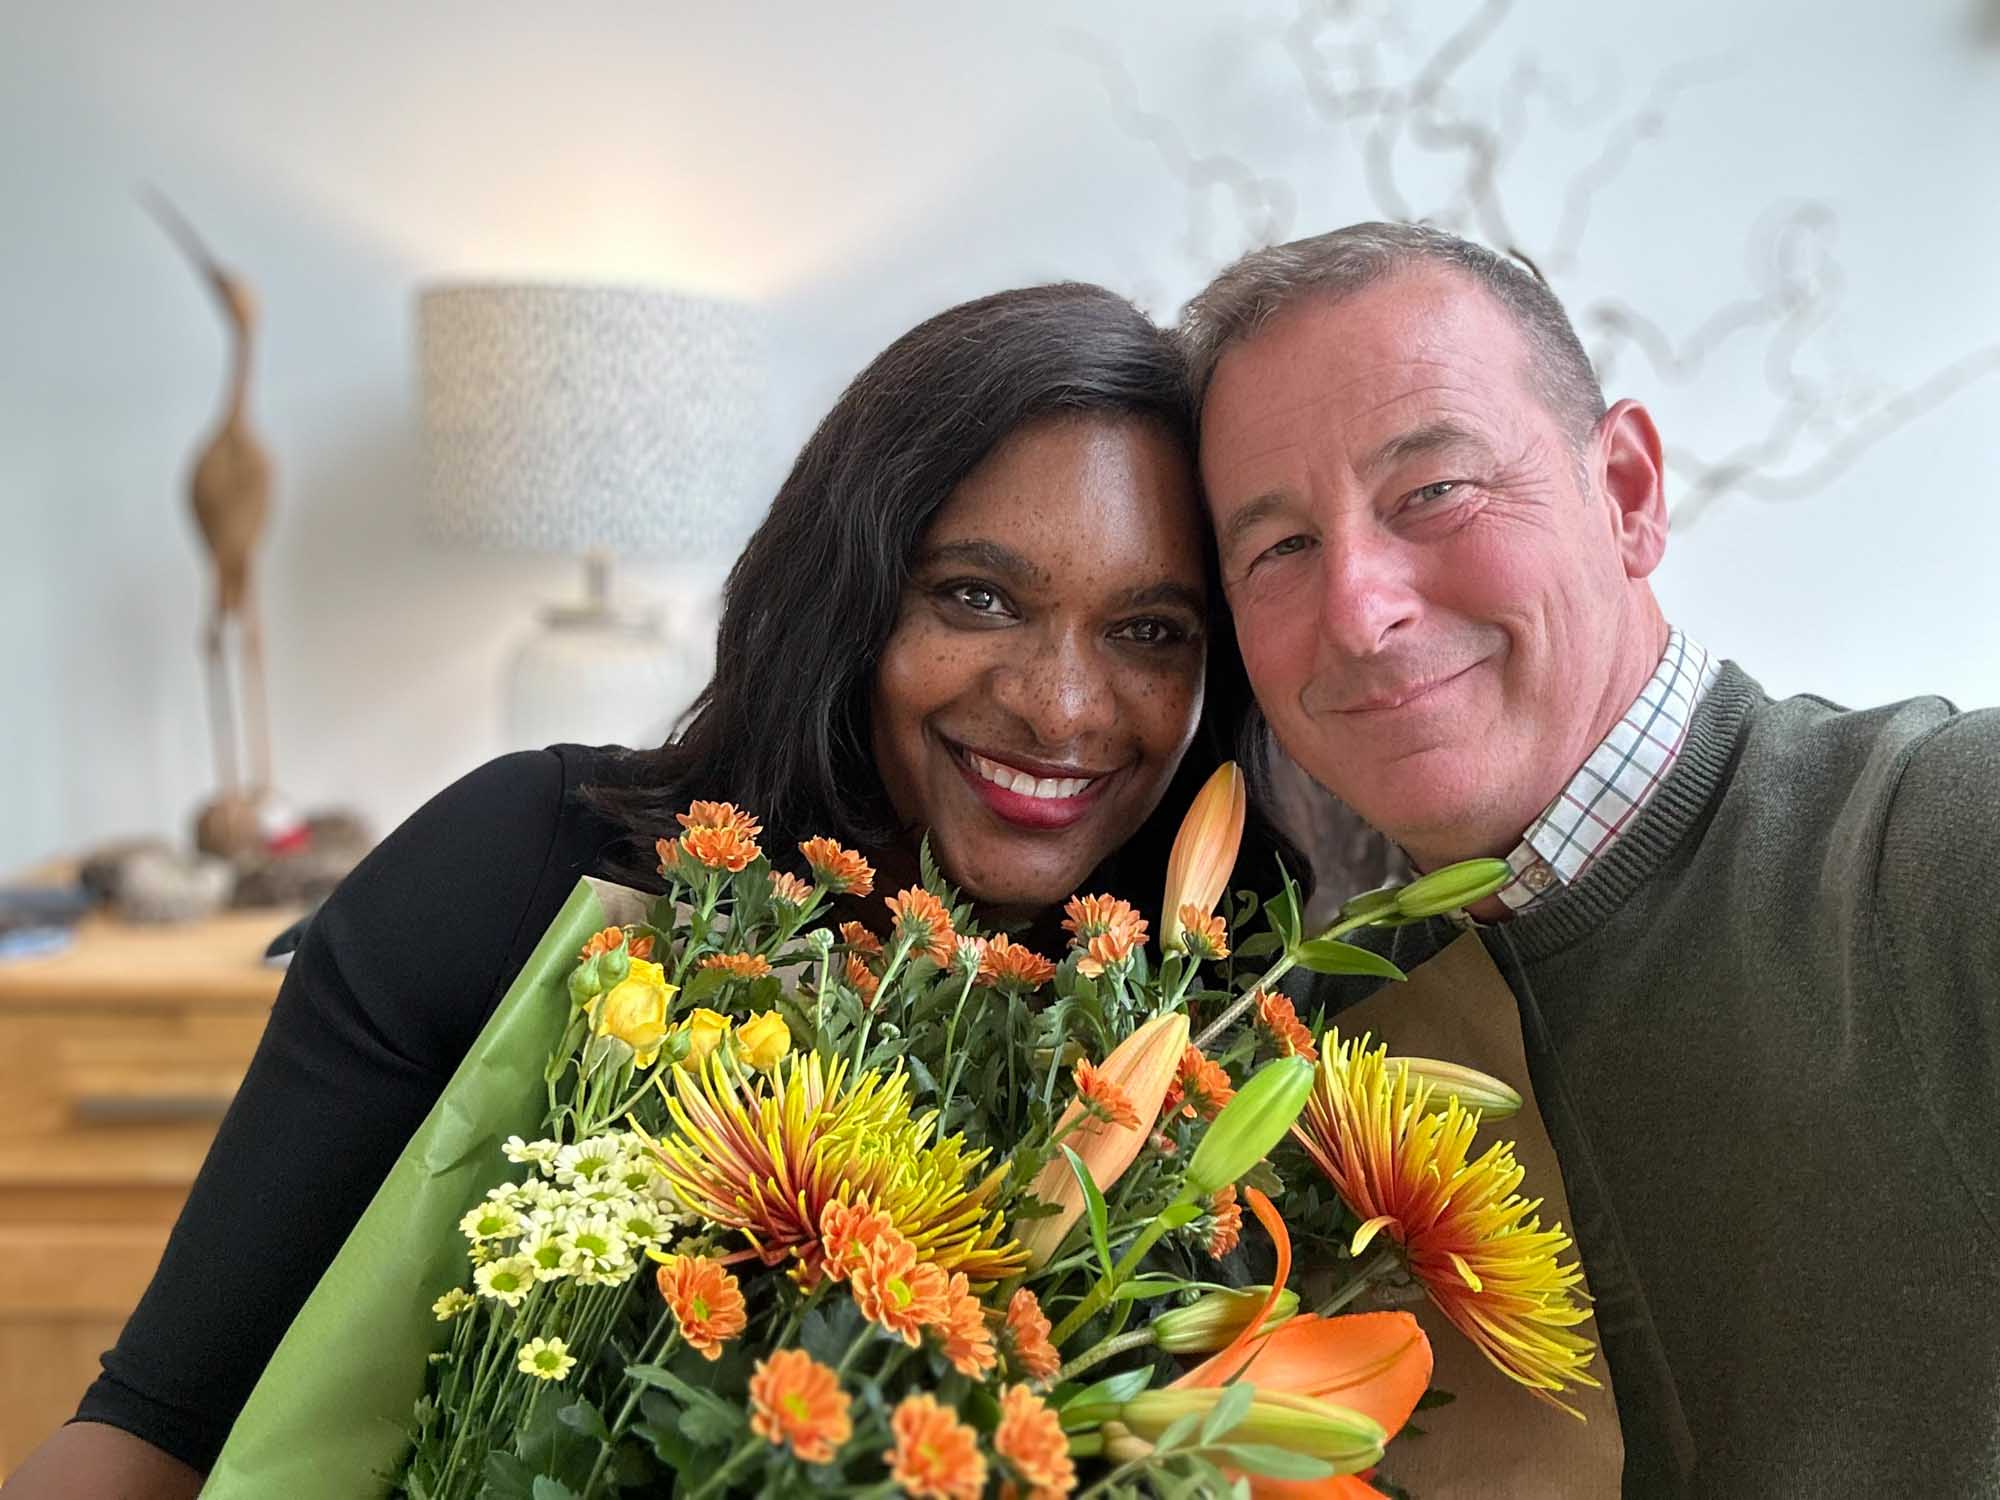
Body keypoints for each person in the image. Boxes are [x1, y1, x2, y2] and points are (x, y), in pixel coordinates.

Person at [6, 282, 1285, 1496]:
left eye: (1148, 631)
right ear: (846, 597)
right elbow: (157, 1430)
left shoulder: (1225, 1039)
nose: (1060, 703)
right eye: (976, 595)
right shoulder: (522, 866)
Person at [1183, 220, 2000, 1496]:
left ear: (1623, 492)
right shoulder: (1289, 1061)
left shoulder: (1945, 846)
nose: (1357, 605)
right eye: (1278, 548)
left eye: (1433, 490)